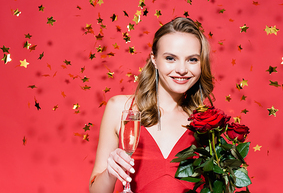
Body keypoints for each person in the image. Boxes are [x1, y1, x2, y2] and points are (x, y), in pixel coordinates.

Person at [89, 17, 214, 193]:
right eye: (171, 58)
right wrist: (111, 172)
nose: (182, 69)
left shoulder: (208, 122)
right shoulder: (121, 109)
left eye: (192, 59)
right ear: (154, 60)